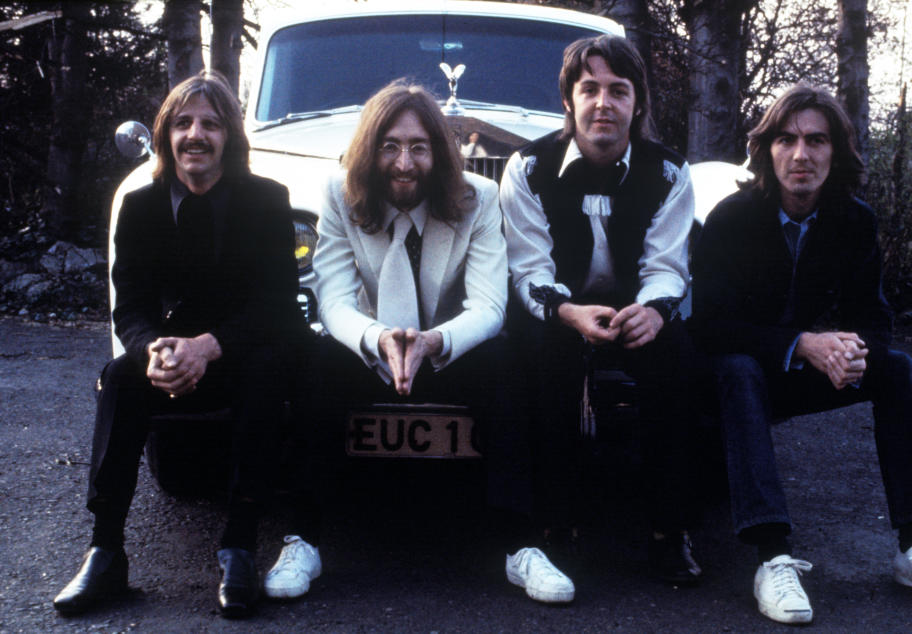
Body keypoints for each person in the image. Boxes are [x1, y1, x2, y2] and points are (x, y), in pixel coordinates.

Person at [691, 83, 912, 624]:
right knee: (741, 369)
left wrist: (853, 350)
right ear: (767, 149)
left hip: (791, 370)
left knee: (896, 368)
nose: (801, 155)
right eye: (787, 140)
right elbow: (708, 327)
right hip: (724, 374)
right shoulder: (732, 218)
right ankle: (772, 557)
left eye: (816, 141)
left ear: (835, 152)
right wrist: (804, 344)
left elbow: (875, 317)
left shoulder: (853, 221)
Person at [262, 79, 529, 600]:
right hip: (371, 345)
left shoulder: (481, 198)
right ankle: (302, 540)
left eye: (418, 147)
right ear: (369, 150)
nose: (404, 163)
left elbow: (490, 307)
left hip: (448, 345)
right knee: (315, 361)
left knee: (507, 360)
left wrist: (433, 342)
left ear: (439, 152)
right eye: (390, 146)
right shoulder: (338, 196)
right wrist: (378, 339)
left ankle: (521, 544)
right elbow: (334, 301)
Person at [53, 70, 304, 619]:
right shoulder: (140, 205)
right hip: (168, 357)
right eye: (184, 122)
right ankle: (106, 550)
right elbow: (130, 305)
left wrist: (208, 346)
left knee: (269, 373)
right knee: (119, 377)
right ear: (166, 133)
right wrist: (154, 352)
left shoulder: (267, 201)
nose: (197, 135)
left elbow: (277, 304)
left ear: (230, 138)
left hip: (238, 353)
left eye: (211, 124)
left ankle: (238, 546)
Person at [499, 34, 703, 601]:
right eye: (589, 89)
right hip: (560, 308)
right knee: (539, 362)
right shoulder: (529, 168)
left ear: (638, 104)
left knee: (681, 365)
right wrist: (566, 311)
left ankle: (669, 528)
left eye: (619, 90)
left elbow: (667, 264)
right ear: (568, 100)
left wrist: (656, 310)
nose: (603, 103)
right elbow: (527, 267)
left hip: (639, 310)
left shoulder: (669, 172)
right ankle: (555, 522)